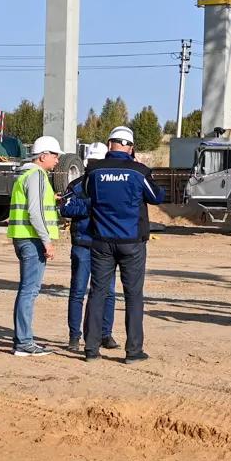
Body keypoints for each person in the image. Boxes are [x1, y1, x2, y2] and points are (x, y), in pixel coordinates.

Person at [80, 125, 162, 363]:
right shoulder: (138, 172)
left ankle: (91, 349)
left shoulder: (94, 171)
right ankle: (133, 351)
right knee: (133, 295)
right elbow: (157, 197)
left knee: (98, 293)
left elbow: (85, 193)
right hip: (131, 242)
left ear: (109, 144)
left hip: (102, 242)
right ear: (131, 147)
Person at [8, 135, 61, 356]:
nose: (57, 160)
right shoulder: (37, 175)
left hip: (22, 238)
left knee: (26, 290)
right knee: (29, 291)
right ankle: (24, 342)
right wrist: (46, 241)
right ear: (43, 156)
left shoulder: (25, 174)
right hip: (32, 240)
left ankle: (22, 339)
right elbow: (35, 212)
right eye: (55, 155)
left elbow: (35, 205)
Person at [61, 164, 118, 354]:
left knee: (109, 292)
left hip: (106, 245)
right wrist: (91, 204)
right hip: (83, 245)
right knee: (78, 291)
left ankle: (105, 334)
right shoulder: (77, 186)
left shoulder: (111, 185)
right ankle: (74, 336)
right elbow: (66, 208)